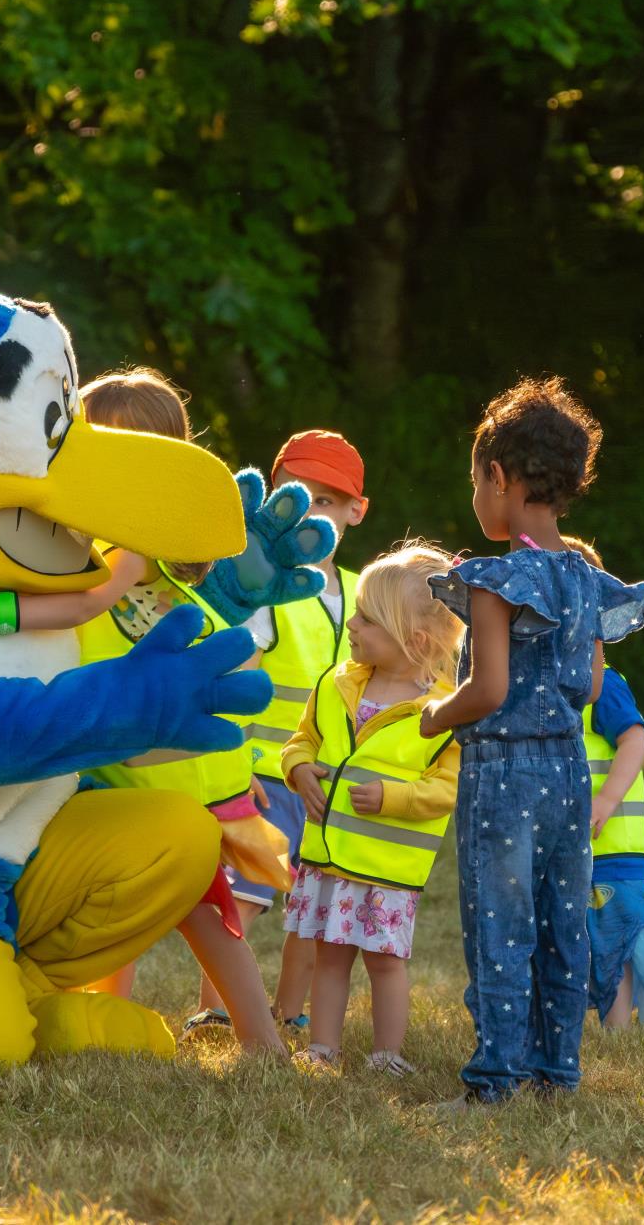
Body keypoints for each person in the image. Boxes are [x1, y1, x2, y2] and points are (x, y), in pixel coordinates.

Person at [0, 367, 288, 1056]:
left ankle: (262, 1039)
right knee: (152, 896)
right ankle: (121, 1021)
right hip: (142, 746)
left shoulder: (127, 545)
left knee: (197, 905)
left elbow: (86, 605)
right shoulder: (139, 546)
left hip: (146, 755)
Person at [419, 377, 644, 1108]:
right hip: (568, 769)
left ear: (498, 475)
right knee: (560, 922)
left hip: (503, 772)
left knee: (499, 923)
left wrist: (434, 715)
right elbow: (588, 688)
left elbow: (486, 690)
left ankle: (494, 1079)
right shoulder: (586, 578)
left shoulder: (496, 579)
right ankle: (557, 1070)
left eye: (475, 481)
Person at [278, 542, 464, 1075]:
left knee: (386, 962)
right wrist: (298, 769)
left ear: (414, 640)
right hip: (328, 856)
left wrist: (394, 798)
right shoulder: (336, 685)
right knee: (329, 955)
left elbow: (447, 788)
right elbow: (301, 741)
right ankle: (321, 1048)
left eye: (366, 618)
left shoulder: (445, 709)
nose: (352, 625)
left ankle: (387, 1054)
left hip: (386, 868)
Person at [242, 430, 370, 1033]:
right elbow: (239, 676)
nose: (311, 511)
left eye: (326, 499)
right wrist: (235, 763)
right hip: (264, 775)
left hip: (328, 784)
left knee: (313, 911)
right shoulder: (260, 583)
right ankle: (219, 1008)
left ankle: (289, 1015)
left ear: (355, 511)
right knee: (240, 899)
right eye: (298, 495)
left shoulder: (361, 592)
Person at [558, 536, 644, 1032]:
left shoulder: (604, 686)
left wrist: (604, 800)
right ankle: (607, 1030)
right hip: (569, 848)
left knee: (616, 941)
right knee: (582, 942)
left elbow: (635, 740)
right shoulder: (547, 687)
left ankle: (621, 1034)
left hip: (613, 848)